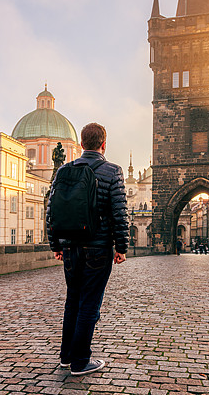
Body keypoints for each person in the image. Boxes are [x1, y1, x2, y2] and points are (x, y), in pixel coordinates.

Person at [47, 123, 129, 376]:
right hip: (97, 247)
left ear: (81, 144)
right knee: (89, 304)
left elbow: (52, 211)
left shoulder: (63, 170)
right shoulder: (112, 171)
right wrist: (121, 246)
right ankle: (81, 361)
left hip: (70, 248)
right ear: (104, 144)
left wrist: (56, 245)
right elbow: (119, 212)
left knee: (73, 301)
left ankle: (66, 356)